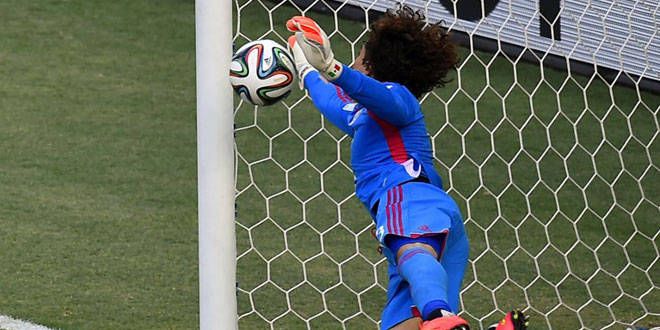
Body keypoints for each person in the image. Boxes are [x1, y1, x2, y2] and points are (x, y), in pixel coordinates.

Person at [285, 5, 527, 330]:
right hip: (430, 225)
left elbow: (378, 98)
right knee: (402, 325)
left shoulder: (400, 99)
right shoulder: (365, 116)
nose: (354, 62)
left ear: (370, 65)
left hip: (408, 202)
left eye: (358, 57)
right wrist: (306, 70)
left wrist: (333, 68)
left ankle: (439, 316)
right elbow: (334, 103)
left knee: (421, 280)